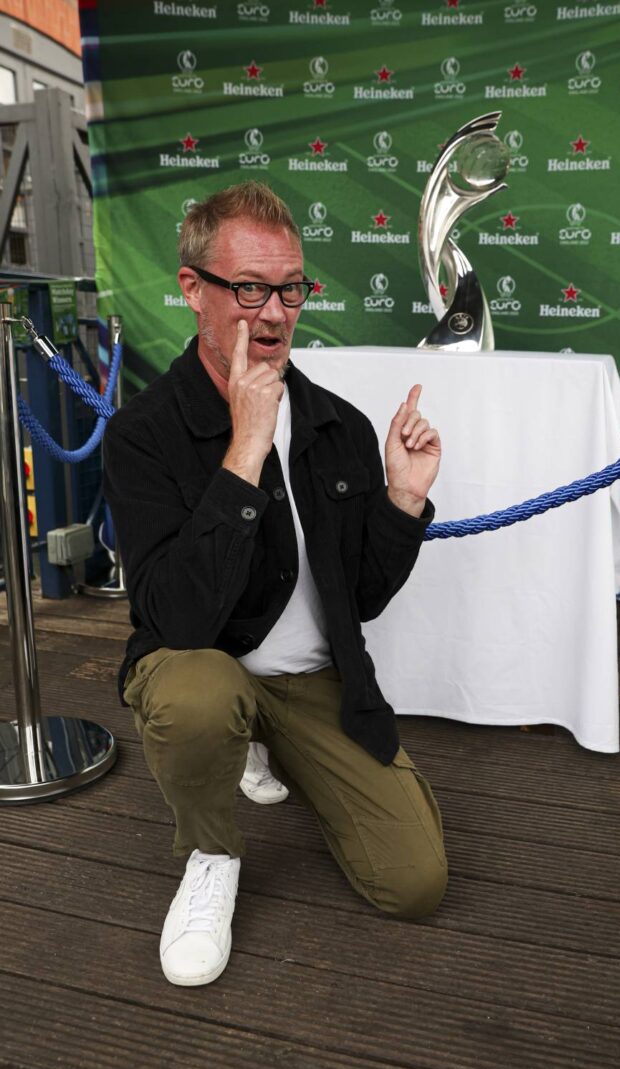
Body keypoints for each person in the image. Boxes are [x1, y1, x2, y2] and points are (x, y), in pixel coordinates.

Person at [103, 180, 447, 989]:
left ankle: (265, 741)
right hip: (202, 664)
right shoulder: (143, 434)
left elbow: (358, 596)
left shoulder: (339, 426)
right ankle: (211, 851)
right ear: (193, 289)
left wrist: (402, 498)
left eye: (289, 287)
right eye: (249, 287)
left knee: (414, 883)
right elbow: (175, 616)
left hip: (309, 681)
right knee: (196, 693)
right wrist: (244, 454)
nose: (273, 312)